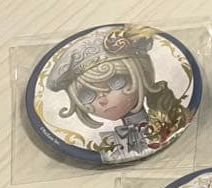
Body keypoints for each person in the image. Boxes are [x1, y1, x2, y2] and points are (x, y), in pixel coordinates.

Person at [46, 26, 189, 161]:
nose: (103, 100)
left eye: (116, 81)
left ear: (143, 75)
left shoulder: (169, 113)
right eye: (87, 95)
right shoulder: (105, 144)